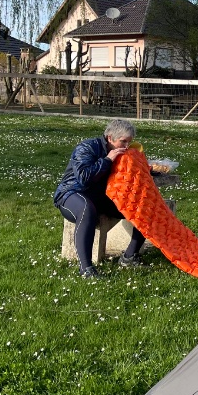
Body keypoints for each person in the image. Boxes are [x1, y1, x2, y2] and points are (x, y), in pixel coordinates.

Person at [54, 118, 147, 277]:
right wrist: (107, 160)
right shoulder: (87, 147)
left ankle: (129, 256)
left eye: (129, 142)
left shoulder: (123, 152)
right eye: (123, 141)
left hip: (102, 196)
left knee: (142, 208)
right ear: (110, 138)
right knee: (86, 209)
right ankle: (86, 269)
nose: (126, 146)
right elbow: (84, 177)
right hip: (72, 193)